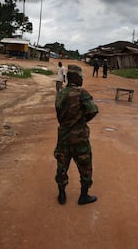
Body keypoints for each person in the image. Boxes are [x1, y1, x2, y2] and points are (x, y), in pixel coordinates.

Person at [54, 64, 98, 205]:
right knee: (85, 166)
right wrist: (82, 121)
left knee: (62, 166)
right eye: (81, 77)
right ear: (76, 77)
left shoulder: (60, 94)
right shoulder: (82, 93)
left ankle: (62, 195)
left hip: (64, 137)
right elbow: (93, 110)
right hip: (80, 138)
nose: (82, 80)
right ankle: (83, 196)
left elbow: (59, 115)